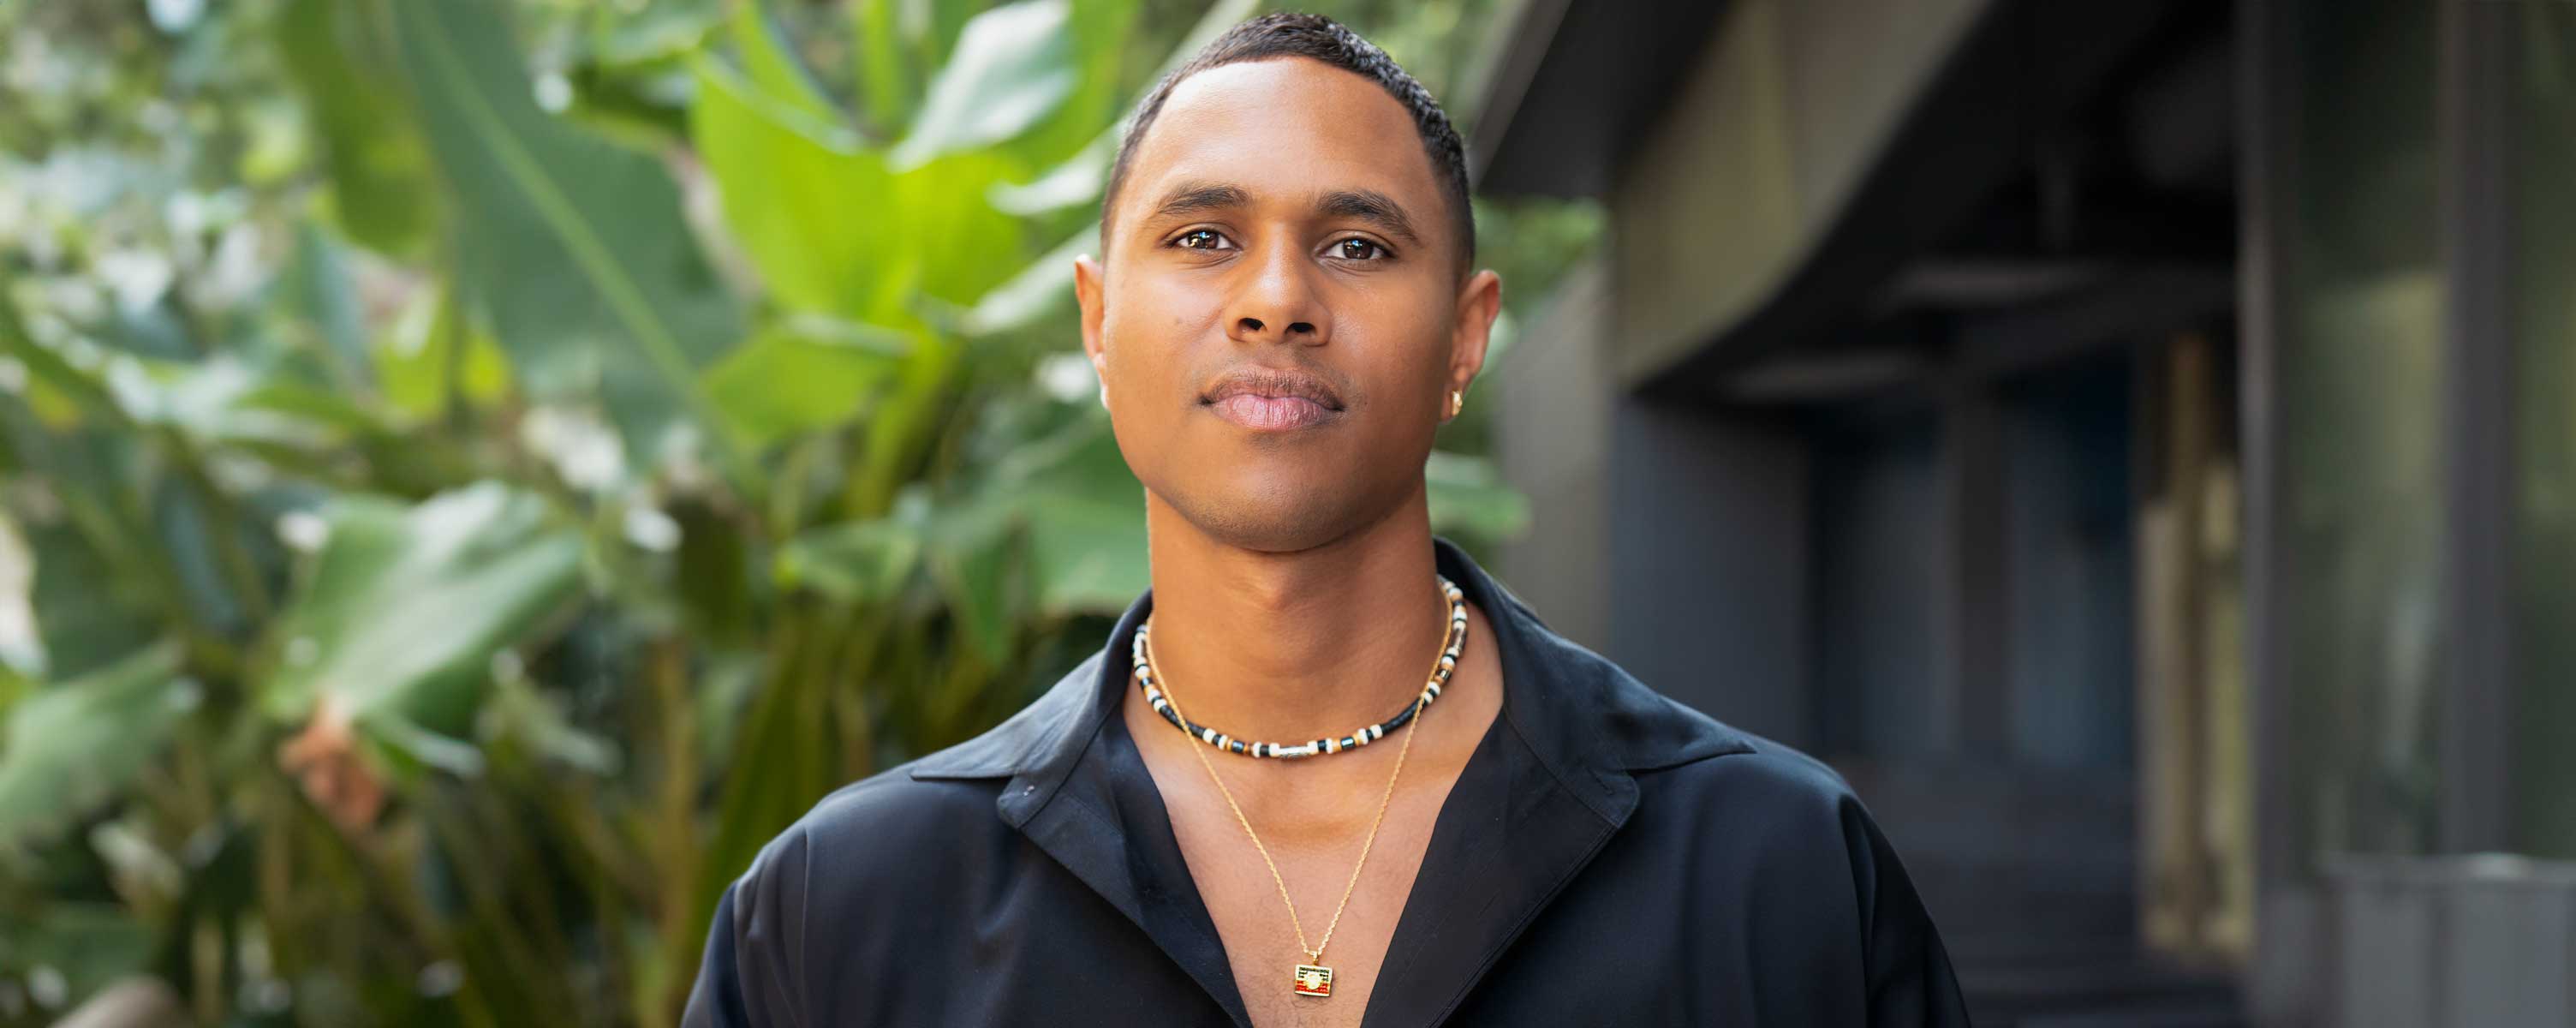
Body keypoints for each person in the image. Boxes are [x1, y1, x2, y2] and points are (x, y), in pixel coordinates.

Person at [684, 12, 1967, 1027]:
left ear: (1467, 337)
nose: (1276, 300)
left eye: (1357, 246)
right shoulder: (843, 909)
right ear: (1095, 322)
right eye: (1202, 236)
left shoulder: (1779, 872)